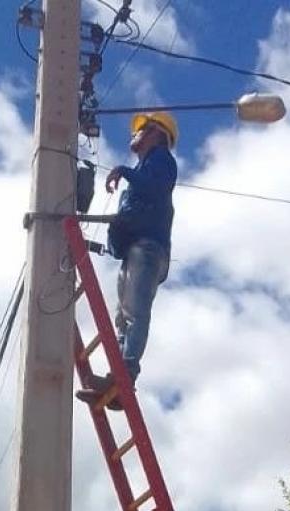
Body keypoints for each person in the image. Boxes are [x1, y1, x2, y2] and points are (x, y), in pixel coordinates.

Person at [76, 112, 178, 409]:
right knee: (123, 317)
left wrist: (124, 170)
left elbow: (154, 187)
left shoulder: (160, 160)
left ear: (156, 134)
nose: (135, 135)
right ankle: (117, 380)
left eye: (142, 130)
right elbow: (130, 214)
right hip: (136, 247)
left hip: (148, 248)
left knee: (133, 313)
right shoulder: (142, 170)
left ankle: (125, 375)